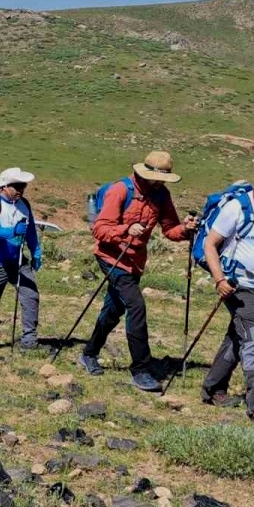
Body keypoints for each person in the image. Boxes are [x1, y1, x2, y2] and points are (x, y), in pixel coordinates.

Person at [78, 150, 197, 392]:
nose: (161, 183)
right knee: (136, 305)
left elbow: (170, 229)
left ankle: (89, 353)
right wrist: (125, 229)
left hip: (135, 261)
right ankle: (140, 369)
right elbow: (100, 230)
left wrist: (186, 229)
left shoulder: (161, 194)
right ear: (145, 173)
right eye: (157, 178)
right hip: (111, 256)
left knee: (114, 309)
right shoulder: (120, 190)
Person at [200, 163, 254, 429]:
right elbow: (210, 244)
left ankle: (213, 387)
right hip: (239, 288)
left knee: (237, 337)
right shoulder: (237, 208)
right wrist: (218, 279)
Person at [0, 167, 43, 358]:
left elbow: (30, 231)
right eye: (17, 186)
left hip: (18, 260)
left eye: (23, 186)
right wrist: (13, 231)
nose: (22, 189)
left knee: (31, 297)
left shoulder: (24, 204)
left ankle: (29, 341)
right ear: (5, 186)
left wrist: (36, 251)